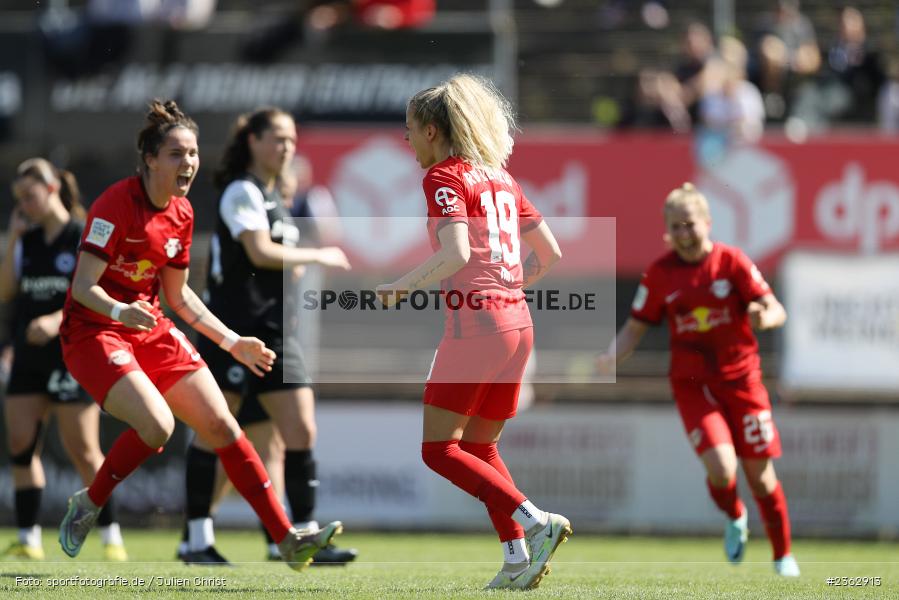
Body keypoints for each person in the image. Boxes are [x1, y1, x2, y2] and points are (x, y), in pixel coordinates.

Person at [55, 99, 342, 569]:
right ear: (150, 159)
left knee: (223, 426)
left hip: (148, 327)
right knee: (157, 426)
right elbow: (83, 287)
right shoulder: (114, 203)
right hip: (94, 330)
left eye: (192, 153)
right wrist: (119, 310)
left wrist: (232, 342)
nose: (188, 162)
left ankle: (286, 539)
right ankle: (90, 502)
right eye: (175, 153)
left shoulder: (183, 213)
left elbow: (181, 297)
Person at [376, 74, 571, 590]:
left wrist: (401, 285)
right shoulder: (502, 179)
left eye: (411, 130)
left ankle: (535, 521)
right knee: (481, 449)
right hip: (518, 325)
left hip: (478, 326)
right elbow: (551, 254)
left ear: (434, 132)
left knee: (438, 450)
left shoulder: (444, 177)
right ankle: (515, 559)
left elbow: (456, 254)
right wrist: (508, 288)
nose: (408, 141)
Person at [178, 107, 354, 565]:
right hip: (235, 331)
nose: (286, 147)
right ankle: (195, 539)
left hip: (275, 335)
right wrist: (318, 255)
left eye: (292, 140)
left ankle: (306, 536)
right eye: (277, 138)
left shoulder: (278, 197)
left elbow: (278, 267)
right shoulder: (242, 190)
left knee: (298, 430)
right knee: (215, 432)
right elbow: (258, 250)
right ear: (253, 140)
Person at [597, 183, 799, 577]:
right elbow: (635, 328)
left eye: (690, 224)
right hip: (694, 385)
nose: (684, 234)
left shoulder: (733, 263)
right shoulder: (660, 273)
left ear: (708, 222)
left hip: (743, 382)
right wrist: (610, 355)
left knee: (760, 477)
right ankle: (734, 514)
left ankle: (782, 556)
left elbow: (774, 308)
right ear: (667, 231)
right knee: (723, 469)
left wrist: (766, 316)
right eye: (676, 227)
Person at [0, 158, 127, 561]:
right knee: (22, 444)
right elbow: (6, 292)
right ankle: (28, 538)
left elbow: (97, 293)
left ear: (52, 188)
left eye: (30, 195)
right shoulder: (27, 236)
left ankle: (112, 537)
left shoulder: (82, 234)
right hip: (28, 355)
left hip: (72, 353)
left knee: (83, 450)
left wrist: (57, 320)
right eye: (19, 198)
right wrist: (13, 239)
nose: (25, 204)